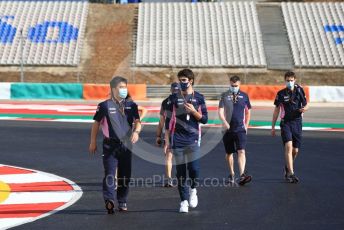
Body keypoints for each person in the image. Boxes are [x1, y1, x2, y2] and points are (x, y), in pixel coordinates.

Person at [89, 76, 141, 214]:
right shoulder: (104, 105)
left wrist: (136, 132)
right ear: (113, 89)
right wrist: (93, 141)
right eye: (120, 87)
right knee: (110, 174)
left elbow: (138, 122)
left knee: (125, 176)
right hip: (109, 145)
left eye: (125, 87)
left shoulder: (132, 105)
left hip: (126, 146)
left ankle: (122, 201)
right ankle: (109, 200)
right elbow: (96, 124)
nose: (124, 90)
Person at [164, 69, 208, 213]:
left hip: (193, 139)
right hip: (177, 139)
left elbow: (205, 119)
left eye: (184, 80)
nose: (181, 83)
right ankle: (183, 201)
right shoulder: (174, 98)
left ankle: (193, 189)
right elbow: (168, 120)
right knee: (181, 172)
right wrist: (166, 141)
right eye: (180, 80)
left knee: (194, 169)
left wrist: (194, 112)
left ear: (191, 81)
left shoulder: (199, 98)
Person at [271, 71, 309, 183]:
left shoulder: (300, 90)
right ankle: (291, 173)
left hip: (297, 122)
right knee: (288, 146)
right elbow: (276, 110)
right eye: (288, 80)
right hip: (285, 123)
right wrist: (272, 126)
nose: (290, 82)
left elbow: (307, 104)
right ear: (285, 81)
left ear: (295, 80)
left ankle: (287, 167)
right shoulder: (281, 94)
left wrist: (305, 108)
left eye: (291, 80)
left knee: (295, 150)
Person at [218, 75, 252, 186]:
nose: (234, 87)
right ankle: (231, 173)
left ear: (239, 84)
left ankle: (242, 175)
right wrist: (224, 122)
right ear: (229, 84)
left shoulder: (245, 96)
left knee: (241, 151)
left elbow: (248, 112)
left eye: (236, 85)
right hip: (227, 129)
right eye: (232, 86)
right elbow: (220, 111)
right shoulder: (224, 96)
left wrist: (246, 125)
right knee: (229, 153)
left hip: (240, 129)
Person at [156, 82, 179, 187]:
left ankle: (169, 179)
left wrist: (158, 136)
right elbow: (161, 121)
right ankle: (173, 178)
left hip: (170, 132)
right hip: (177, 133)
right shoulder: (185, 100)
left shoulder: (165, 102)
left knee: (169, 156)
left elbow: (161, 121)